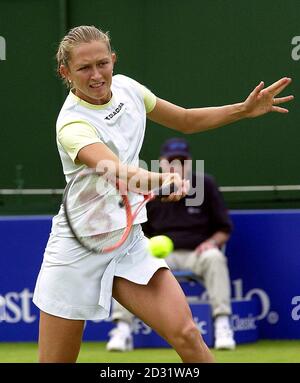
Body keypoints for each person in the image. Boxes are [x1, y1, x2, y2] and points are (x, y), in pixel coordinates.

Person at [32, 25, 293, 363]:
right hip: (77, 250)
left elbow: (184, 120)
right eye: (84, 68)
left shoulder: (129, 89)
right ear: (65, 72)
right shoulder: (72, 124)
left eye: (102, 63)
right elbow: (118, 173)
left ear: (113, 59)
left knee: (187, 334)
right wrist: (165, 180)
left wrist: (242, 110)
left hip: (127, 243)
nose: (96, 75)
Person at [107, 137, 236, 351]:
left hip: (197, 254)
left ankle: (222, 325)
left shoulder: (206, 185)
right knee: (126, 263)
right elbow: (138, 229)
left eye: (182, 161)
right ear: (161, 163)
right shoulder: (148, 190)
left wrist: (211, 243)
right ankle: (122, 330)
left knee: (215, 257)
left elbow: (224, 229)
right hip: (157, 256)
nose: (177, 166)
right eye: (171, 161)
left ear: (190, 163)